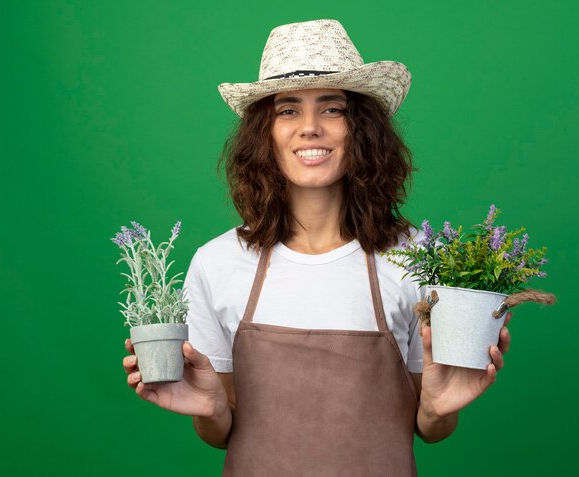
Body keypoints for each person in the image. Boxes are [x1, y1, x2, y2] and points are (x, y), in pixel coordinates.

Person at [123, 19, 512, 476]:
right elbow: (222, 429)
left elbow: (429, 425)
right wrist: (208, 410)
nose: (310, 128)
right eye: (288, 110)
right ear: (264, 134)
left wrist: (441, 409)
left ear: (362, 129)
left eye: (332, 109)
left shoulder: (415, 259)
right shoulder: (217, 263)